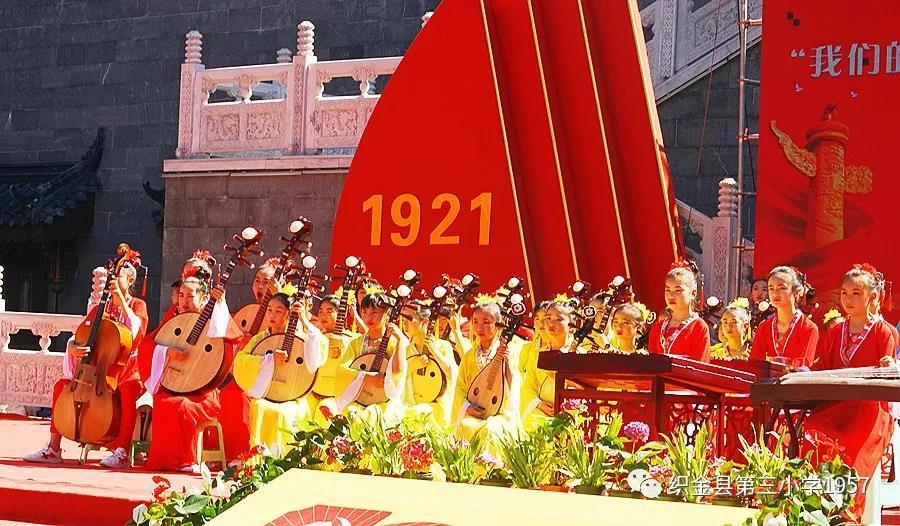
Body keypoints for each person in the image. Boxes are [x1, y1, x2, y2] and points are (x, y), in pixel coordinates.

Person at [25, 251, 148, 468]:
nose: (112, 282)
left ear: (130, 281)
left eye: (117, 277)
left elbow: (136, 332)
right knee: (61, 386)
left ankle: (121, 452)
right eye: (111, 278)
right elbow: (81, 334)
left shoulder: (137, 305)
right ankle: (53, 448)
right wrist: (72, 346)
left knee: (128, 390)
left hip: (127, 370)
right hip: (100, 370)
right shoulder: (102, 307)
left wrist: (122, 303)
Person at [804, 264, 896, 515]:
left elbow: (887, 370)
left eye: (856, 293)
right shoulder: (836, 330)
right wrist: (803, 370)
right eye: (844, 293)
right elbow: (823, 365)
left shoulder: (883, 332)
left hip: (870, 410)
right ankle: (813, 507)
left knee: (850, 446)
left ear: (872, 297)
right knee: (811, 431)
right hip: (836, 406)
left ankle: (845, 512)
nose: (848, 299)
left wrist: (888, 365)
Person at [138, 275, 240, 472]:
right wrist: (167, 352)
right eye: (181, 296)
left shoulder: (213, 320)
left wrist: (220, 304)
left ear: (202, 298)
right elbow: (147, 345)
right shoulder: (174, 319)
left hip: (203, 393)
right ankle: (163, 461)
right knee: (165, 401)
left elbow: (232, 339)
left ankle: (186, 460)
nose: (184, 301)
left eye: (190, 296)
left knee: (182, 405)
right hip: (174, 385)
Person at [233, 293, 327, 454]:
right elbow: (240, 362)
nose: (272, 315)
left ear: (288, 314)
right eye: (269, 310)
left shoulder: (301, 339)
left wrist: (304, 320)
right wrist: (268, 359)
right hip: (266, 395)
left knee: (283, 413)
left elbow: (317, 355)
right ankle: (260, 458)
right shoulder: (260, 339)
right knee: (260, 407)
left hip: (294, 396)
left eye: (278, 311)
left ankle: (286, 457)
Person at [328, 293, 410, 426]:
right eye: (365, 312)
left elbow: (397, 371)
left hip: (385, 403)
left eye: (374, 312)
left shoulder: (395, 343)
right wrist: (366, 376)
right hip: (358, 398)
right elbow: (342, 370)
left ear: (387, 313)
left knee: (372, 415)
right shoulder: (357, 343)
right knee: (350, 414)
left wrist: (400, 340)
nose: (368, 317)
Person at [452, 301, 521, 445]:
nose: (479, 327)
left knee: (490, 429)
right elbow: (460, 387)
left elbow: (514, 386)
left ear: (499, 325)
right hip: (474, 408)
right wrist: (467, 407)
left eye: (486, 322)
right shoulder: (469, 356)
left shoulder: (509, 352)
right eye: (475, 322)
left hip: (499, 410)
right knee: (466, 424)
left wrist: (507, 364)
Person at [520, 299, 585, 429]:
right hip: (540, 411)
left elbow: (583, 390)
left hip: (569, 413)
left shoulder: (580, 354)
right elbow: (528, 387)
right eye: (548, 318)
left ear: (572, 325)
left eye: (559, 319)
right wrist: (539, 404)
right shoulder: (537, 353)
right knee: (536, 424)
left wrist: (567, 407)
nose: (551, 324)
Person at [403, 301, 458, 427]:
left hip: (436, 408)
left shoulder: (443, 346)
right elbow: (395, 379)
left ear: (424, 322)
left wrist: (435, 352)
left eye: (409, 319)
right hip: (410, 404)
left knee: (419, 413)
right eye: (404, 319)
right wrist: (412, 366)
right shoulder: (405, 350)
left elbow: (453, 375)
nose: (405, 323)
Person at [750, 266, 818, 369]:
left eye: (782, 288)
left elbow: (803, 366)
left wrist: (772, 363)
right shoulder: (764, 327)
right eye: (771, 289)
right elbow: (755, 363)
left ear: (796, 292)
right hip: (765, 379)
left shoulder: (808, 328)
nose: (775, 293)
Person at [647, 262, 711, 361]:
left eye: (678, 290)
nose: (671, 295)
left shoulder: (699, 327)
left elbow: (701, 365)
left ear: (693, 294)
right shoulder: (657, 327)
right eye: (667, 290)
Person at [309, 295, 357, 425]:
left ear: (341, 314)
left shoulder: (352, 340)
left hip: (337, 397)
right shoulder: (315, 337)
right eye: (321, 311)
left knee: (323, 411)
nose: (323, 315)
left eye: (329, 311)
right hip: (314, 391)